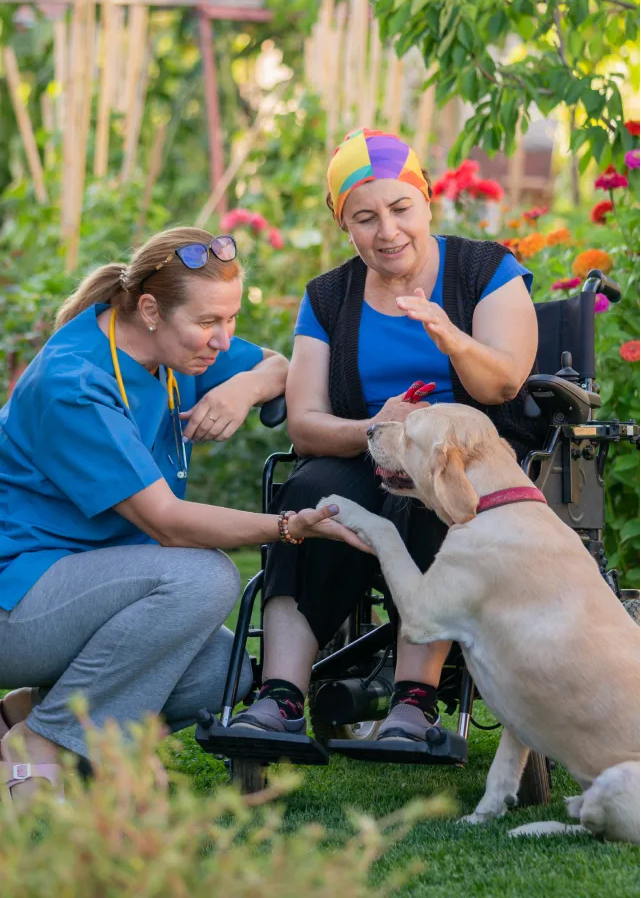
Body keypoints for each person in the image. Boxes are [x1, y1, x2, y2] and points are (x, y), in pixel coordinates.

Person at [0, 226, 366, 807]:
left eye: (231, 319)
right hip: (19, 603)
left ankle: (27, 712)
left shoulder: (177, 350)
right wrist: (286, 525)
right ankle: (43, 746)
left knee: (228, 675)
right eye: (208, 323)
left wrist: (241, 388)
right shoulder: (74, 381)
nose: (222, 340)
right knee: (205, 575)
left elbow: (280, 364)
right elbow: (168, 524)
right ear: (149, 309)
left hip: (97, 595)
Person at [231, 128, 541, 746]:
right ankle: (281, 697)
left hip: (462, 454)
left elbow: (504, 384)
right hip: (368, 448)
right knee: (311, 495)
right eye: (364, 217)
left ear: (426, 200)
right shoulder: (327, 297)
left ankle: (414, 700)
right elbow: (306, 421)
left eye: (401, 208)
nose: (388, 230)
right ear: (343, 224)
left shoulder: (486, 269)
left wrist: (448, 336)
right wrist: (377, 428)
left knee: (438, 496)